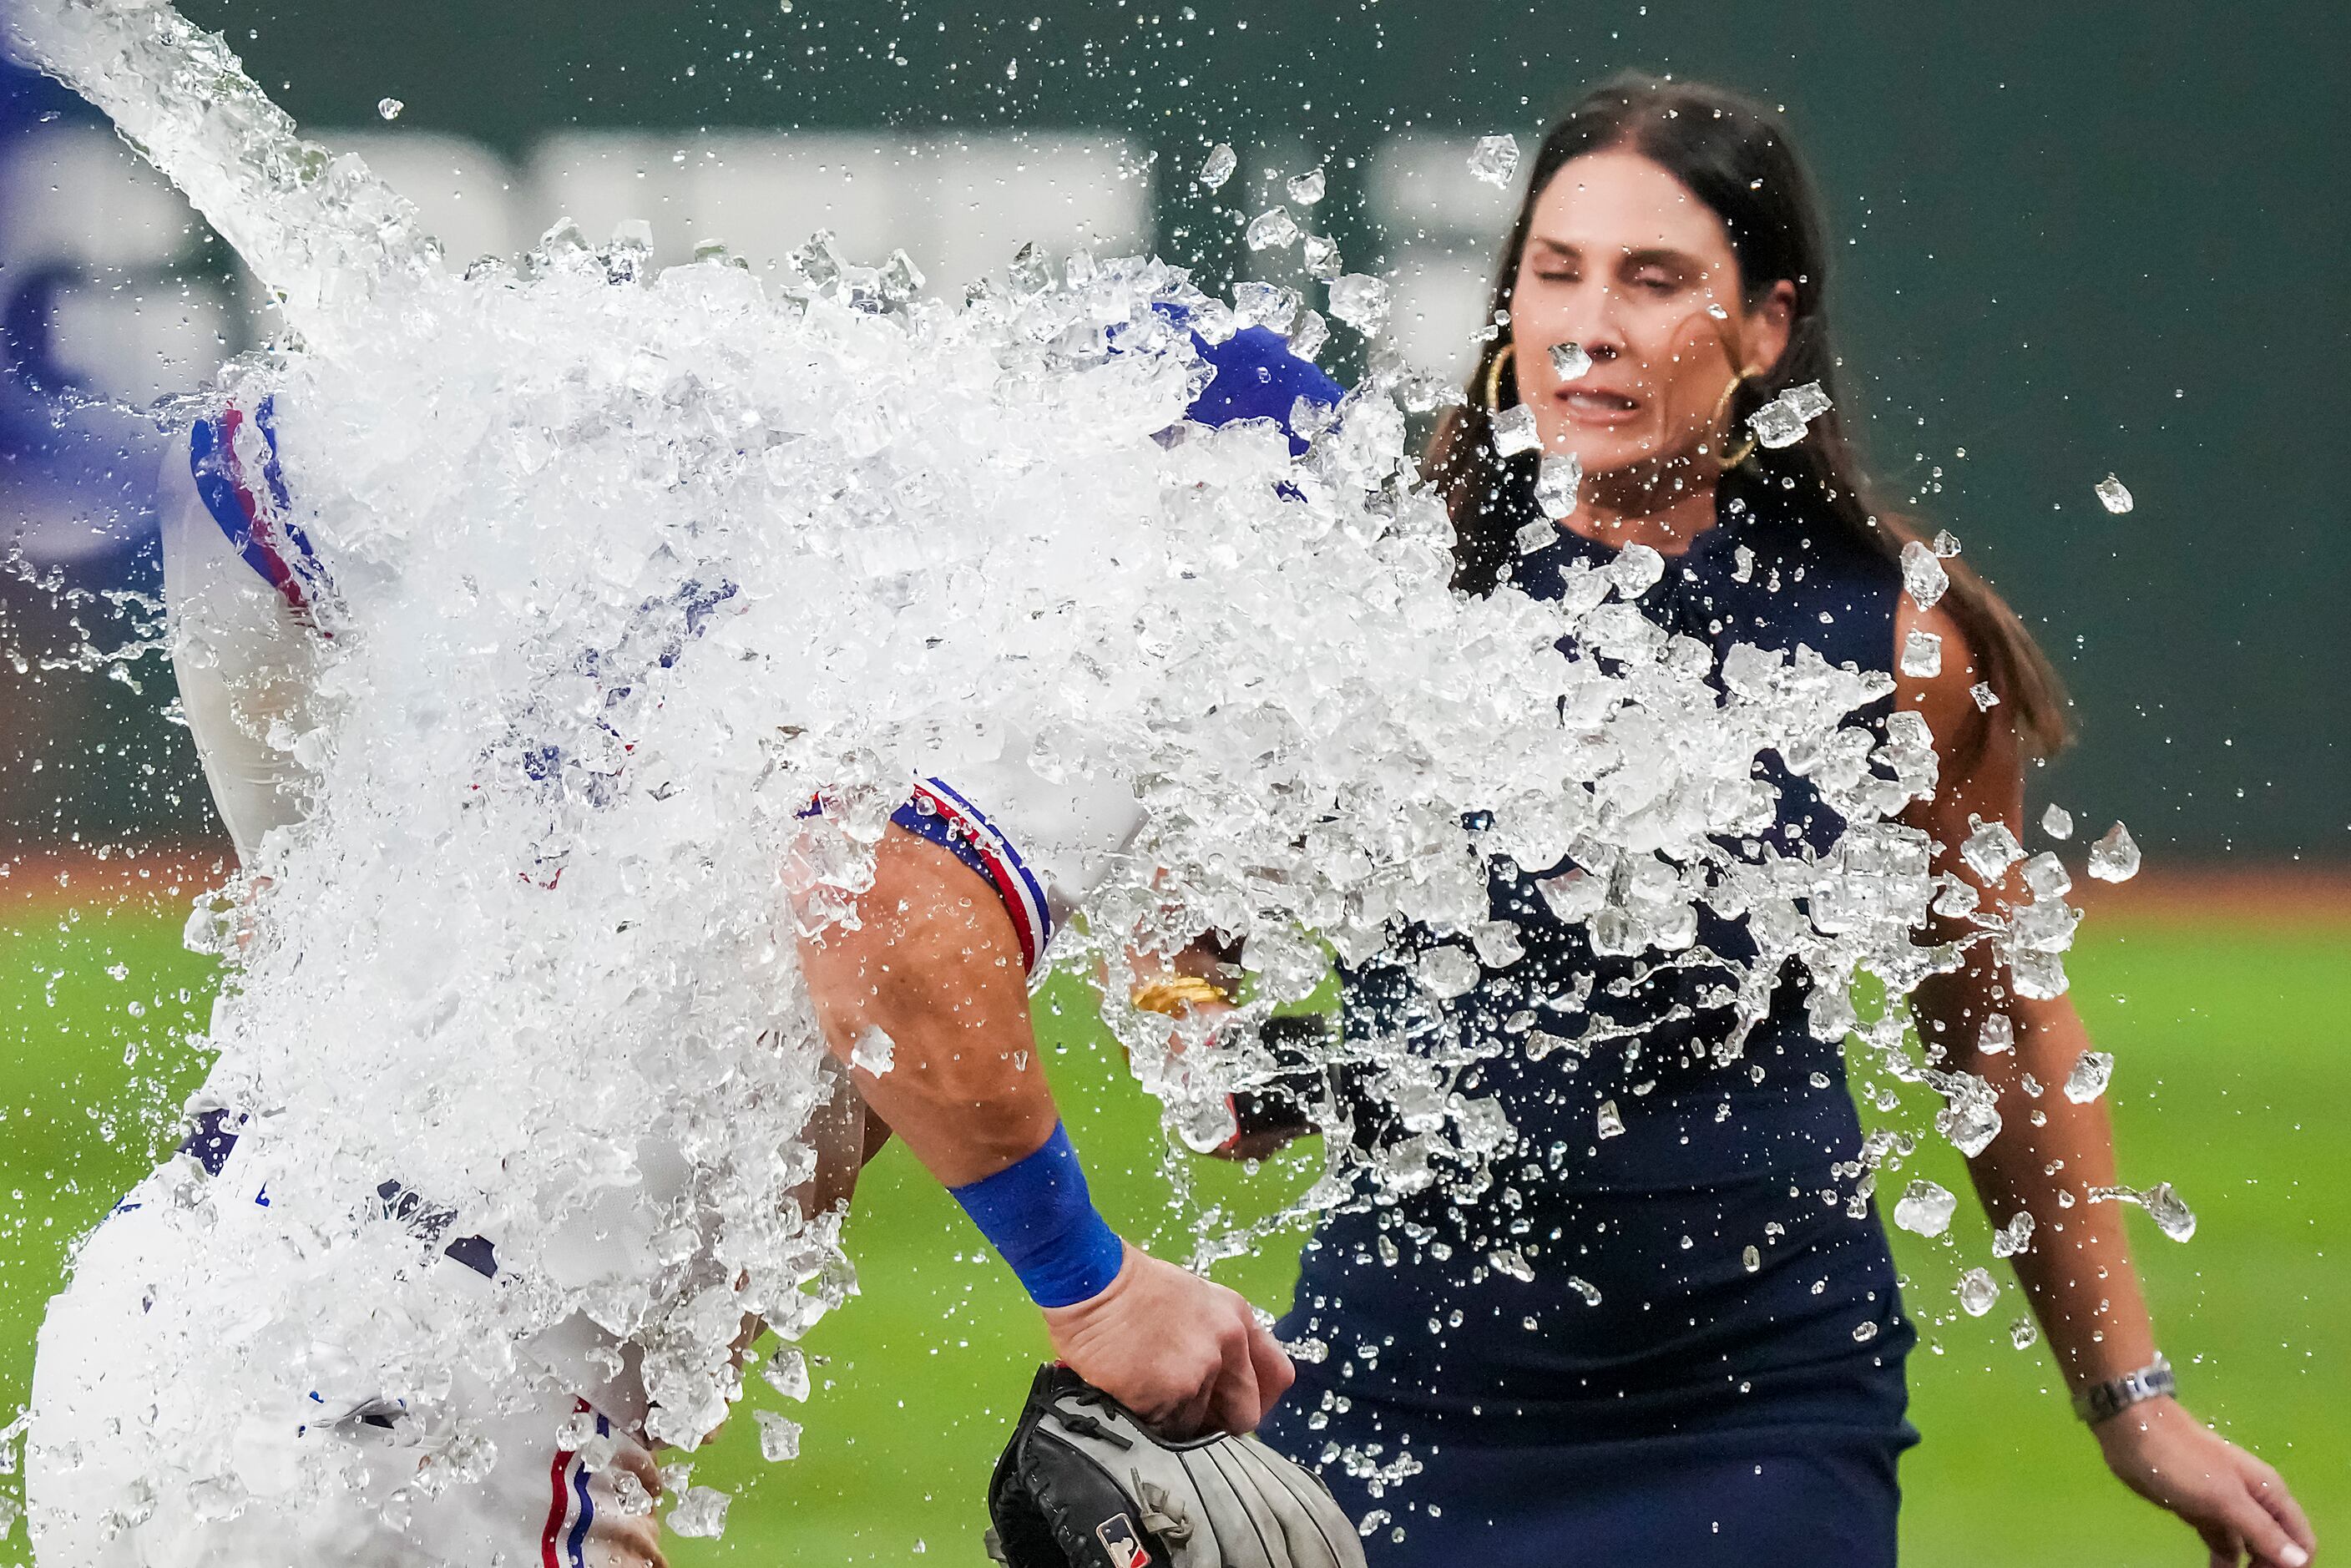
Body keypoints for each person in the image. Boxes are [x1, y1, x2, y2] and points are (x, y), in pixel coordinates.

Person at [24, 325, 1337, 1566]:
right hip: (432, 1434)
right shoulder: (1122, 601)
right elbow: (885, 926)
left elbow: (236, 463)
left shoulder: (784, 529)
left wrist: (300, 872)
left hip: (149, 1335)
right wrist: (1092, 1287)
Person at [1250, 75, 2318, 1568]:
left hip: (1755, 1413)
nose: (1589, 324)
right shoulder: (1382, 582)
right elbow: (1190, 891)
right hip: (1396, 1395)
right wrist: (1248, 1051)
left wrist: (2131, 1401)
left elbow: (1998, 1022)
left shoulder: (1897, 640)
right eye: (1554, 272)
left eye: (1655, 278)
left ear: (1765, 325)